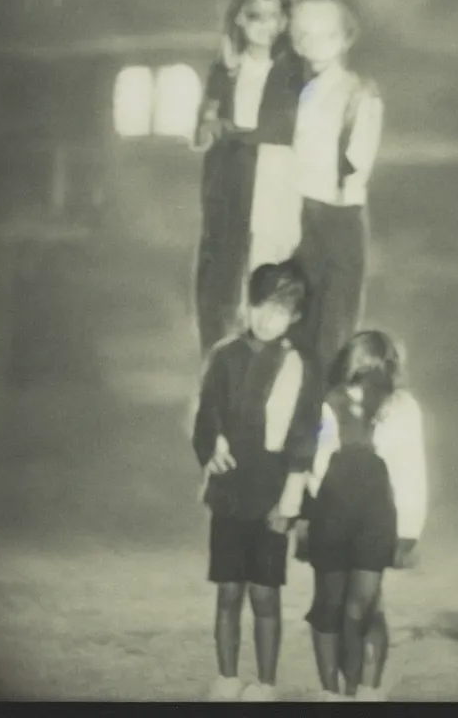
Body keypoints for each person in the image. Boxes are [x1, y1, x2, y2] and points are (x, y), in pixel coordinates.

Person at [192, 259, 321, 702]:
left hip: (272, 491)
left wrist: (291, 494)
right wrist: (213, 446)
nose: (268, 319)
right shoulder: (225, 356)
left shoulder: (300, 366)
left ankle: (265, 684)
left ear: (296, 317)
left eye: (281, 311)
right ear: (249, 304)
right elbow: (206, 414)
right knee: (229, 590)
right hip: (229, 489)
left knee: (265, 594)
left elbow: (306, 432)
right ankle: (227, 678)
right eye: (262, 306)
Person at [300, 331, 427, 701]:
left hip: (376, 518)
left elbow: (411, 471)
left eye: (378, 371)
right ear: (348, 368)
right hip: (332, 516)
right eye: (361, 371)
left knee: (364, 605)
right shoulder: (328, 404)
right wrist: (307, 522)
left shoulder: (403, 408)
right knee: (329, 603)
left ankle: (366, 689)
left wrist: (409, 529)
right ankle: (331, 691)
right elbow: (315, 467)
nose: (368, 381)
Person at [192, 0, 306, 355]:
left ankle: (271, 349)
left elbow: (290, 128)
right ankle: (223, 353)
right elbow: (202, 133)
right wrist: (213, 122)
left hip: (275, 178)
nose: (266, 26)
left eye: (275, 17)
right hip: (231, 181)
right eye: (256, 16)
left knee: (269, 261)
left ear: (285, 22)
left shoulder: (293, 71)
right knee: (224, 267)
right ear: (240, 19)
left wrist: (240, 135)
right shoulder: (225, 71)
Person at [290, 0, 384, 387]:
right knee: (298, 316)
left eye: (326, 35)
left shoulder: (358, 93)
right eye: (305, 36)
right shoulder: (299, 91)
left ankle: (328, 399)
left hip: (337, 212)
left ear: (346, 37)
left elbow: (357, 161)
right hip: (297, 209)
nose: (315, 45)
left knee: (334, 319)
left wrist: (329, 190)